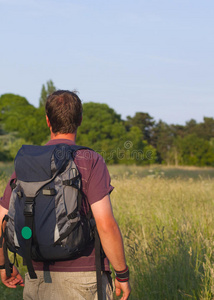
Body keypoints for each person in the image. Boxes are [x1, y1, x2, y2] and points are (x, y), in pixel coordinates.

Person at [0, 90, 131, 300]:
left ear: (47, 121)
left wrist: (4, 265)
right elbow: (105, 223)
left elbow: (1, 221)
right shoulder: (90, 159)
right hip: (82, 280)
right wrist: (122, 274)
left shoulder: (28, 163)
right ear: (80, 119)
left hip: (37, 278)